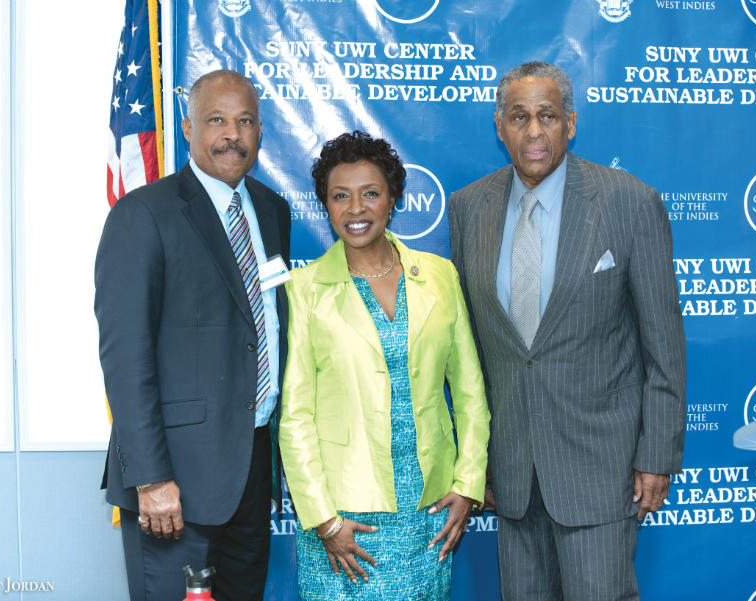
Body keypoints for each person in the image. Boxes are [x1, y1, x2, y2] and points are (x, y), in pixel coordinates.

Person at [448, 60, 686, 600]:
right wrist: (475, 459)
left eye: (548, 116)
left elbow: (663, 344)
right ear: (500, 124)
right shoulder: (468, 208)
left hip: (601, 467)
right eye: (520, 116)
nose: (534, 131)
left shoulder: (628, 201)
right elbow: (474, 353)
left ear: (570, 123)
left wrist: (656, 454)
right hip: (511, 471)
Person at [94, 69, 290, 601]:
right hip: (174, 480)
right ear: (187, 127)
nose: (233, 134)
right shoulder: (142, 215)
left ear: (260, 131)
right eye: (217, 120)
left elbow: (261, 324)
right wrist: (152, 479)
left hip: (251, 467)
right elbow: (125, 358)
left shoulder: (272, 211)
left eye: (246, 121)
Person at [279, 130, 490, 600]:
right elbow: (294, 418)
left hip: (430, 512)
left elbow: (471, 392)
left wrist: (469, 482)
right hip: (344, 521)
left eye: (370, 193)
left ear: (392, 198)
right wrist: (324, 519)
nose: (356, 209)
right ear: (325, 205)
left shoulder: (439, 275)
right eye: (340, 196)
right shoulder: (304, 289)